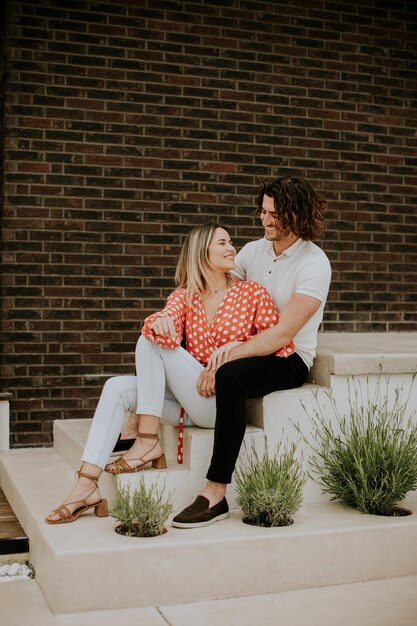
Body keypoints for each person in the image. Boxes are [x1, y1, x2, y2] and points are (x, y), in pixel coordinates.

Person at [46, 222, 295, 524]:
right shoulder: (186, 296)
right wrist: (163, 320)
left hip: (220, 403)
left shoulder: (252, 293)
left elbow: (277, 347)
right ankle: (86, 485)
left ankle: (147, 439)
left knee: (149, 340)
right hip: (189, 400)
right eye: (222, 243)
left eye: (231, 242)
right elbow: (166, 316)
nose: (232, 248)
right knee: (118, 384)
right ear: (201, 252)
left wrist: (236, 346)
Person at [171, 176, 332, 528]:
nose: (265, 220)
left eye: (275, 214)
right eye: (263, 211)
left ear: (299, 214)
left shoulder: (313, 263)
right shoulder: (253, 251)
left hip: (288, 358)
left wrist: (230, 353)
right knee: (174, 340)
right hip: (247, 345)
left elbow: (282, 334)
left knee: (230, 376)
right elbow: (215, 292)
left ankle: (215, 492)